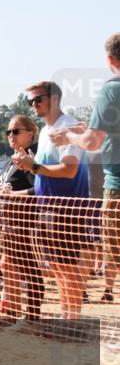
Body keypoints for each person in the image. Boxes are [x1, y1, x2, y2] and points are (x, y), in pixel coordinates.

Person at [50, 32, 120, 303]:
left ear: (110, 59)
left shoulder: (111, 88)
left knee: (113, 252)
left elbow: (92, 142)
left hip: (116, 188)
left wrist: (68, 137)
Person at [13, 81, 90, 320]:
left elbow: (69, 170)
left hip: (67, 207)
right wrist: (30, 165)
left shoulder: (67, 127)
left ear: (54, 99)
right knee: (57, 267)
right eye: (30, 101)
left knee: (68, 268)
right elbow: (46, 169)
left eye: (38, 99)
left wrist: (33, 165)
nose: (33, 105)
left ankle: (72, 321)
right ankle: (67, 319)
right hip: (48, 207)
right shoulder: (46, 131)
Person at [0, 115, 43, 327]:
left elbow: (40, 189)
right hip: (8, 224)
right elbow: (4, 189)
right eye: (8, 132)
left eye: (16, 131)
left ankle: (31, 317)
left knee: (29, 269)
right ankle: (14, 312)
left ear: (30, 133)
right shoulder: (10, 160)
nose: (10, 135)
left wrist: (14, 195)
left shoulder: (32, 157)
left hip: (25, 223)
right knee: (7, 264)